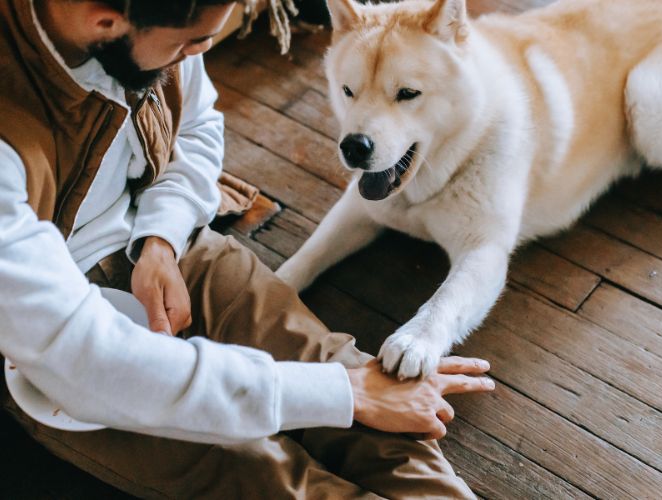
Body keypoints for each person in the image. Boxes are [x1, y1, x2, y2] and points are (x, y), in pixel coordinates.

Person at [0, 0, 495, 497]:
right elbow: (86, 360)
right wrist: (341, 394)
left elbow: (196, 125)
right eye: (190, 44)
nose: (199, 54)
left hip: (170, 250)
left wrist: (161, 238)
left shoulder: (160, 22)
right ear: (103, 22)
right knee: (267, 477)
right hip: (33, 348)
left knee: (364, 393)